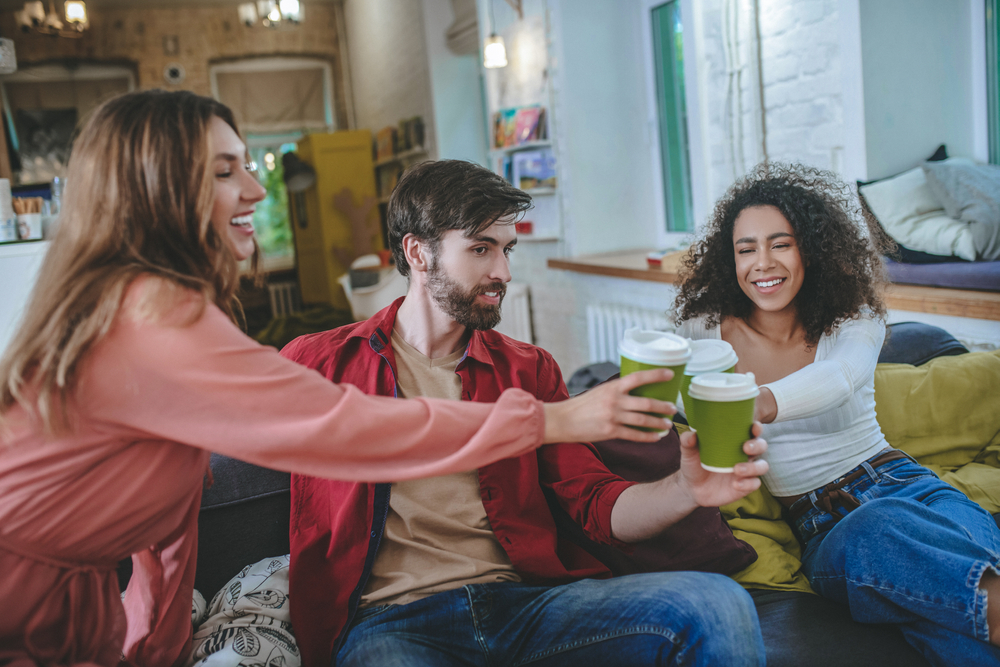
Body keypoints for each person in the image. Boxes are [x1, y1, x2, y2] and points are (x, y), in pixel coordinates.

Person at [0, 91, 681, 667]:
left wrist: (151, 642)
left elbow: (166, 531)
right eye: (224, 171)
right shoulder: (155, 317)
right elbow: (345, 428)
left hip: (67, 616)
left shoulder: (149, 312)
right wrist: (550, 418)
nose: (257, 189)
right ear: (158, 186)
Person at [281, 159, 771, 667]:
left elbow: (595, 506)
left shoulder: (528, 369)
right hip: (393, 623)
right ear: (417, 252)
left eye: (506, 249)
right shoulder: (318, 363)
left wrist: (686, 490)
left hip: (525, 607)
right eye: (480, 249)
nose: (504, 272)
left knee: (716, 604)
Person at [673, 162, 1000, 667]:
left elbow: (841, 378)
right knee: (886, 528)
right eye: (746, 249)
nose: (763, 262)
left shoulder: (854, 316)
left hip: (916, 486)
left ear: (813, 248)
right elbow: (681, 404)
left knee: (950, 612)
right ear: (729, 258)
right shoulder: (706, 328)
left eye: (781, 243)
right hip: (829, 527)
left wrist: (754, 400)